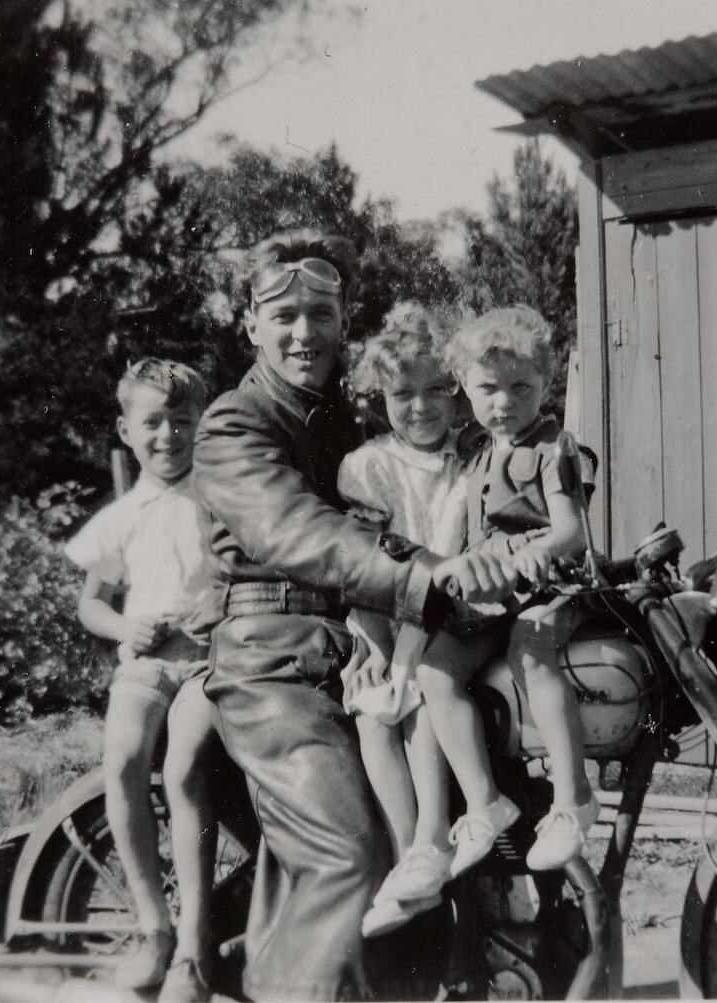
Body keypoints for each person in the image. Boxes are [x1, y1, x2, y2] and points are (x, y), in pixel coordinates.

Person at [191, 229, 515, 1001]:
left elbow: (412, 504)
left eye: (322, 312)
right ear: (251, 323)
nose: (305, 331)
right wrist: (419, 581)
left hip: (351, 645)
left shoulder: (344, 421)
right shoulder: (235, 425)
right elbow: (297, 532)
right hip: (273, 657)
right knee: (348, 855)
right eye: (286, 314)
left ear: (344, 321)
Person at [417, 304, 599, 879]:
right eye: (489, 388)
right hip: (490, 590)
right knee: (435, 671)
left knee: (530, 651)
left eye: (521, 386)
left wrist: (534, 555)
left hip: (547, 585)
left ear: (546, 383)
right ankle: (484, 801)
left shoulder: (552, 446)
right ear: (466, 389)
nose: (505, 401)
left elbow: (570, 529)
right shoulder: (473, 455)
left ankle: (573, 800)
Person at [64, 359, 219, 1000]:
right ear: (126, 430)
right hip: (150, 661)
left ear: (201, 426)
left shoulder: (220, 498)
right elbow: (90, 604)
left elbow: (248, 574)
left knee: (185, 767)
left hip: (210, 661)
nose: (168, 436)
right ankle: (154, 925)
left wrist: (217, 608)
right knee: (124, 754)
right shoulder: (125, 514)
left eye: (182, 422)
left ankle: (193, 946)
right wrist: (124, 631)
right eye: (152, 422)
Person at [336, 304, 465, 938]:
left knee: (427, 699)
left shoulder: (471, 460)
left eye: (435, 390)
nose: (420, 407)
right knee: (376, 706)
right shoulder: (370, 467)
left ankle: (434, 844)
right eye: (402, 394)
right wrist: (379, 644)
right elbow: (362, 568)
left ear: (456, 390)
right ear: (377, 397)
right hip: (390, 617)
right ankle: (403, 848)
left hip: (462, 620)